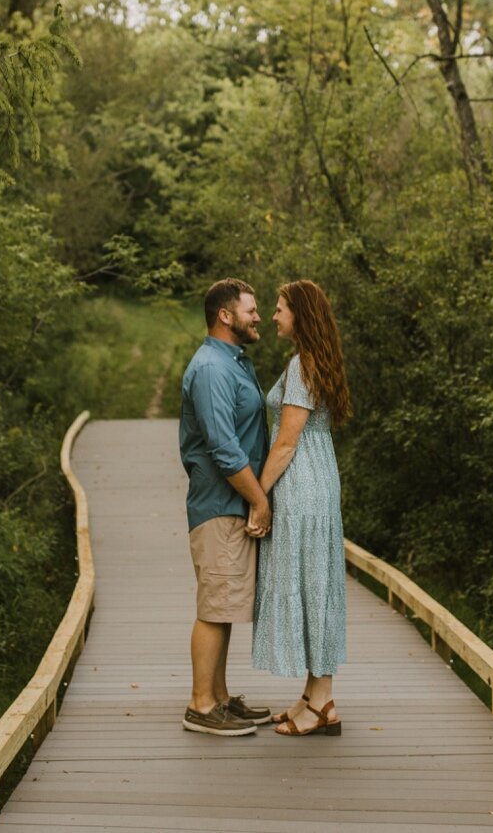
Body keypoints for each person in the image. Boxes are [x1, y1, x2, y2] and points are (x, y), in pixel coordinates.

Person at [252, 279, 352, 736]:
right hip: (320, 481)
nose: (273, 316)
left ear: (300, 315)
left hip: (301, 484)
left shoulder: (300, 365)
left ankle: (323, 698)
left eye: (279, 309)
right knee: (317, 581)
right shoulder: (313, 362)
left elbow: (287, 441)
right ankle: (314, 697)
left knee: (312, 585)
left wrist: (258, 496)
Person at [177, 278, 275, 735]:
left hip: (230, 503)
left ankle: (218, 696)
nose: (259, 317)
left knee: (225, 602)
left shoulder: (233, 361)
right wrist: (259, 501)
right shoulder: (213, 368)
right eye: (252, 310)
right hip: (220, 503)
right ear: (225, 315)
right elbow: (222, 446)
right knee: (214, 604)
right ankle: (200, 705)